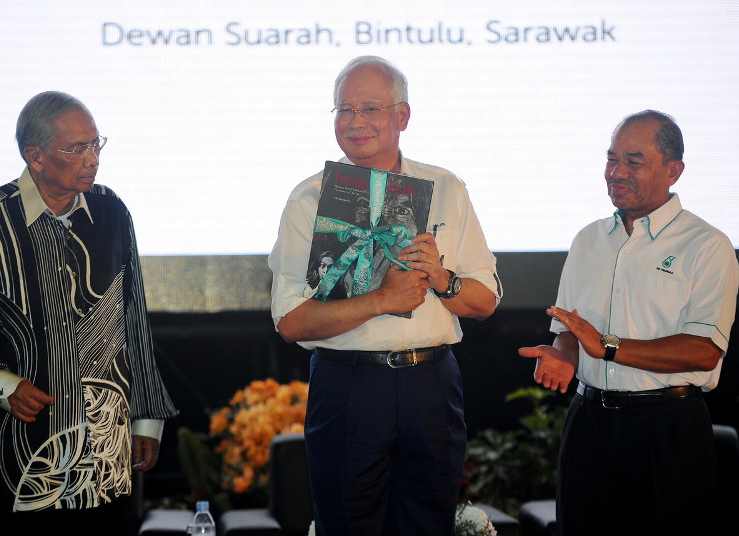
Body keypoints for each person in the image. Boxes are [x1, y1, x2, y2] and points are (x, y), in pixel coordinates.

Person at [268, 56, 502, 535]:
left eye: (371, 108)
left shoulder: (446, 188)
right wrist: (380, 299)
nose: (355, 122)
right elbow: (290, 322)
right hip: (348, 386)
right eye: (344, 109)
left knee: (428, 523)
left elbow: (486, 301)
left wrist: (441, 278)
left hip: (430, 384)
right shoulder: (308, 199)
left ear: (403, 116)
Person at [0, 91, 179, 535]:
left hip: (106, 458)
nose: (92, 159)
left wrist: (146, 417)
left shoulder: (111, 211)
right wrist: (0, 384)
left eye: (96, 144)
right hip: (20, 457)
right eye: (76, 148)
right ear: (36, 157)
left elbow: (134, 320)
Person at [518, 110, 739, 536]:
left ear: (674, 171)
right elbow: (571, 330)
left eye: (633, 161)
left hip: (667, 427)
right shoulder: (588, 240)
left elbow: (704, 349)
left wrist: (611, 347)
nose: (616, 173)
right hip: (590, 423)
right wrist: (563, 355)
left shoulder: (707, 246)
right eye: (611, 159)